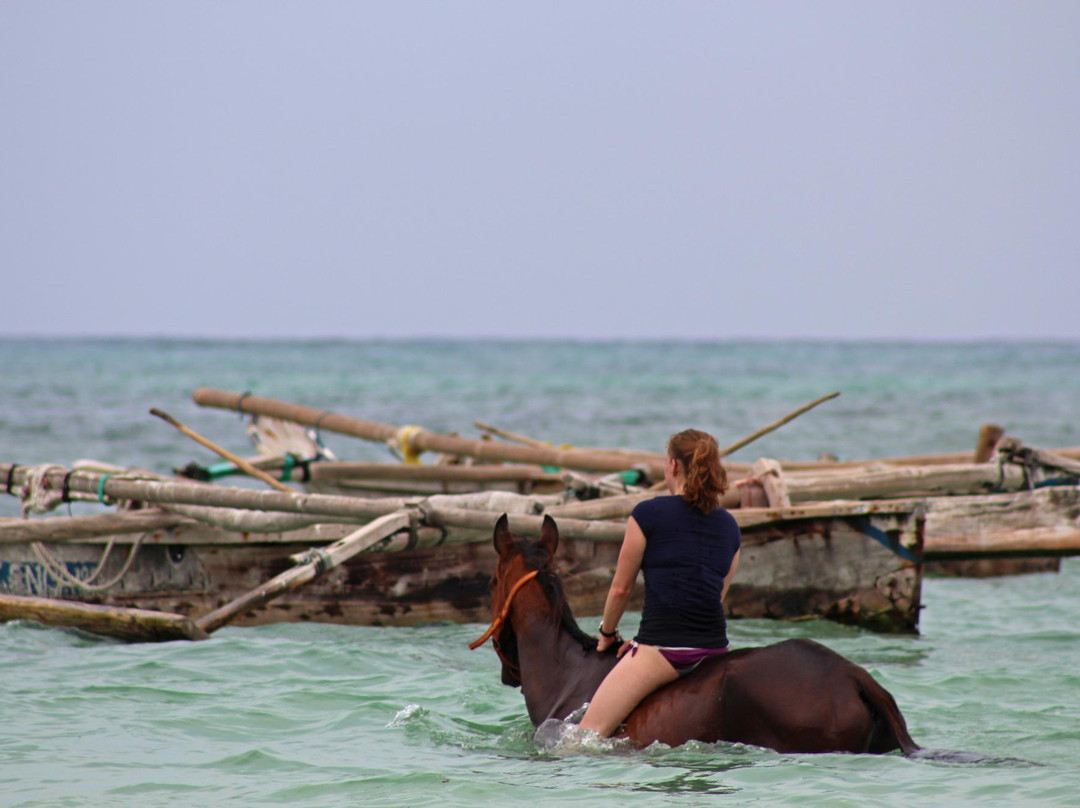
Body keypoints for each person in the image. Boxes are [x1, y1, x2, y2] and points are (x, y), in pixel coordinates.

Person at [578, 428, 741, 738]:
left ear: (673, 466)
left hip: (664, 651)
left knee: (584, 738)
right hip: (714, 650)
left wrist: (607, 635)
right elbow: (715, 596)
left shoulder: (647, 515)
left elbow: (621, 589)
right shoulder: (730, 526)